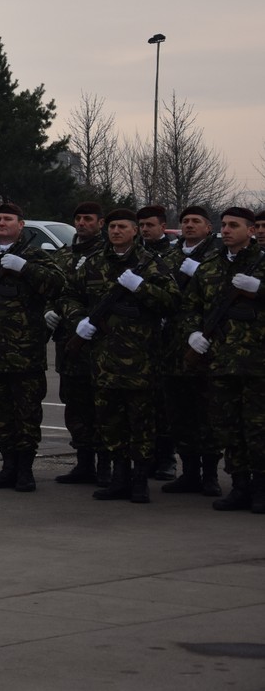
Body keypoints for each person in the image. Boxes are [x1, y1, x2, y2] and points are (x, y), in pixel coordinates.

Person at [60, 209, 178, 504]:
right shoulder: (94, 263)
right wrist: (78, 319)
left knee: (141, 424)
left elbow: (172, 302)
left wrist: (142, 287)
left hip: (141, 360)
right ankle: (118, 478)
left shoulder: (151, 263)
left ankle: (139, 481)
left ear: (135, 230)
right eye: (112, 227)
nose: (116, 231)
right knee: (110, 422)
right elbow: (69, 294)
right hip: (103, 360)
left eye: (122, 226)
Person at [0, 203, 66, 492]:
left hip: (24, 353)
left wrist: (25, 268)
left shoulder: (35, 255)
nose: (2, 223)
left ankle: (25, 470)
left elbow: (58, 285)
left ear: (21, 224)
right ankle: (8, 467)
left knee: (27, 414)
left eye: (8, 219)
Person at [184, 206, 265, 513]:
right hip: (220, 362)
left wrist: (261, 289)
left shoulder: (262, 264)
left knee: (258, 429)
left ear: (251, 230)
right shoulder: (209, 266)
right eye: (225, 225)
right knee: (227, 428)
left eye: (234, 225)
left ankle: (261, 488)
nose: (227, 230)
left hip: (258, 363)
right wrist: (193, 332)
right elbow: (191, 306)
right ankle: (239, 486)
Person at [159, 205, 224, 496]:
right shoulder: (169, 257)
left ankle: (209, 475)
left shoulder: (216, 257)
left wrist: (202, 276)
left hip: (205, 348)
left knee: (207, 414)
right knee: (179, 414)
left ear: (208, 227)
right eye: (185, 221)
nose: (188, 225)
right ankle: (189, 472)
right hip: (172, 348)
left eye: (196, 221)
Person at [47, 201, 108, 485]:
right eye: (78, 219)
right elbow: (52, 290)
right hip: (68, 344)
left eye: (88, 219)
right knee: (74, 405)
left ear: (100, 223)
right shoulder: (63, 255)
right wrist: (49, 310)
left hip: (98, 345)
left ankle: (105, 465)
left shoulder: (107, 255)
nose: (82, 223)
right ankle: (84, 463)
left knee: (102, 407)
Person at [136, 203, 178, 480]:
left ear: (163, 227)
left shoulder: (172, 256)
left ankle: (166, 458)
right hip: (138, 340)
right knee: (143, 404)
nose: (145, 230)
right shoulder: (135, 255)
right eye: (141, 225)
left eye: (150, 225)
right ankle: (146, 457)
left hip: (168, 338)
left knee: (164, 403)